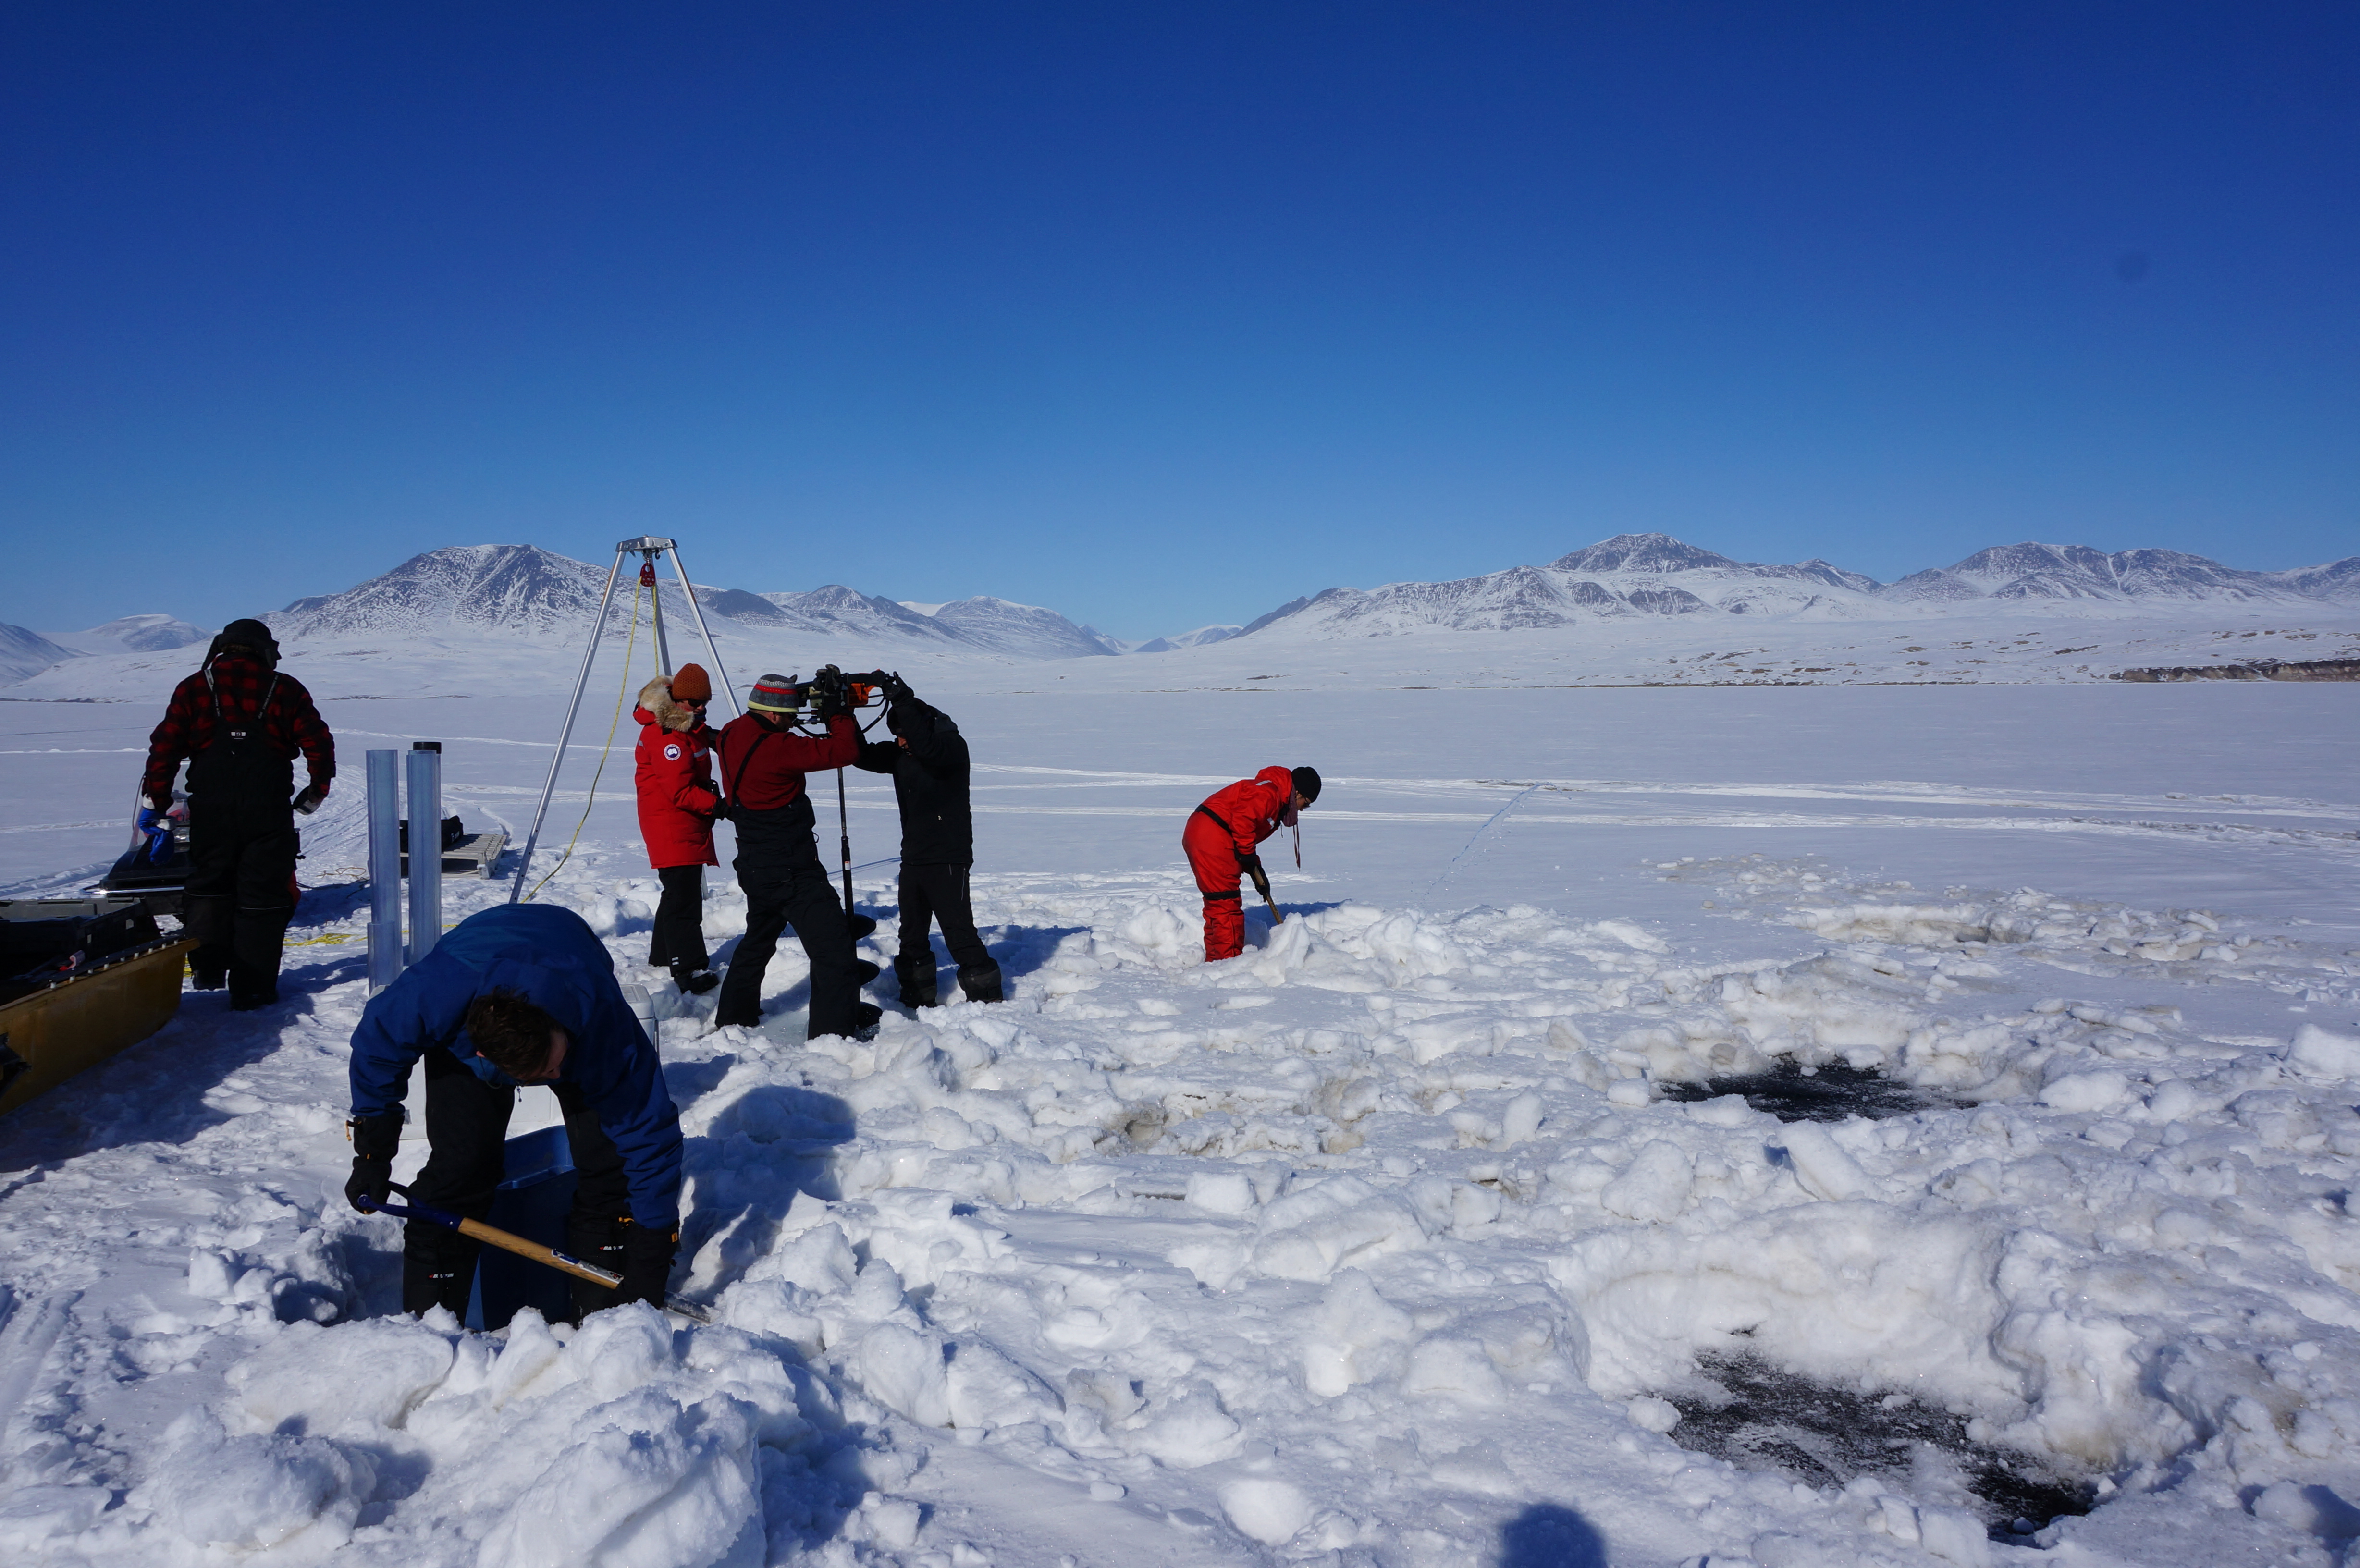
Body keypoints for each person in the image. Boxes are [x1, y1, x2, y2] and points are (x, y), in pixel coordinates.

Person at [342, 902, 683, 1322]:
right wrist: (374, 1153)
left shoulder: (602, 1024)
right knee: (462, 1169)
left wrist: (653, 1249)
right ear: (485, 1053)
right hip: (474, 970)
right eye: (542, 1075)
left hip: (567, 950)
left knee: (609, 1166)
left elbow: (650, 1134)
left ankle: (607, 1319)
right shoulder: (436, 993)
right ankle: (429, 1328)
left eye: (556, 1066)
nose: (555, 1078)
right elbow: (377, 1046)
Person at [141, 617, 335, 1009]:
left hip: (212, 809)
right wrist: (316, 791)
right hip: (268, 810)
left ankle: (209, 970)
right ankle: (254, 988)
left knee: (209, 886)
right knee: (263, 895)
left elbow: (165, 747)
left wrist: (155, 801)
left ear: (221, 647)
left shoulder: (195, 687)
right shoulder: (286, 689)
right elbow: (319, 743)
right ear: (266, 652)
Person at [712, 669, 883, 1038]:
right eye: (790, 716)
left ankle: (733, 1017)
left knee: (757, 941)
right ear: (773, 714)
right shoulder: (778, 748)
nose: (794, 723)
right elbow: (846, 750)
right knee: (834, 951)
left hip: (755, 865)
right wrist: (838, 712)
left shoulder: (730, 733)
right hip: (791, 869)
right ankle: (833, 1035)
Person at [851, 677, 1003, 1006]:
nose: (902, 742)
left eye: (906, 734)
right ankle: (915, 999)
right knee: (912, 936)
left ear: (923, 726)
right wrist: (843, 713)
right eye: (897, 737)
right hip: (915, 857)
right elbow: (858, 754)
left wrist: (903, 702)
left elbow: (929, 751)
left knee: (959, 934)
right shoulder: (903, 753)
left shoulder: (950, 747)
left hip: (948, 857)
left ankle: (987, 1003)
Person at [632, 662, 721, 995]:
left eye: (705, 704)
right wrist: (720, 806)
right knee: (684, 898)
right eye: (695, 704)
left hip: (678, 823)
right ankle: (689, 969)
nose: (701, 709)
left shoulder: (685, 726)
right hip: (671, 824)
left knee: (676, 893)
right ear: (678, 700)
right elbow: (680, 791)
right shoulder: (665, 735)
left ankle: (663, 955)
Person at [1183, 764, 1321, 962]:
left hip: (1205, 832)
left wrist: (1256, 869)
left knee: (1217, 902)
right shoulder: (1269, 793)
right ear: (1297, 793)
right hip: (1213, 836)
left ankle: (1215, 962)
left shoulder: (1272, 792)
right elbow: (1243, 820)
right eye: (1305, 804)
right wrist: (1247, 854)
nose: (1302, 809)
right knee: (1226, 904)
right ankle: (1226, 964)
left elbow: (1243, 831)